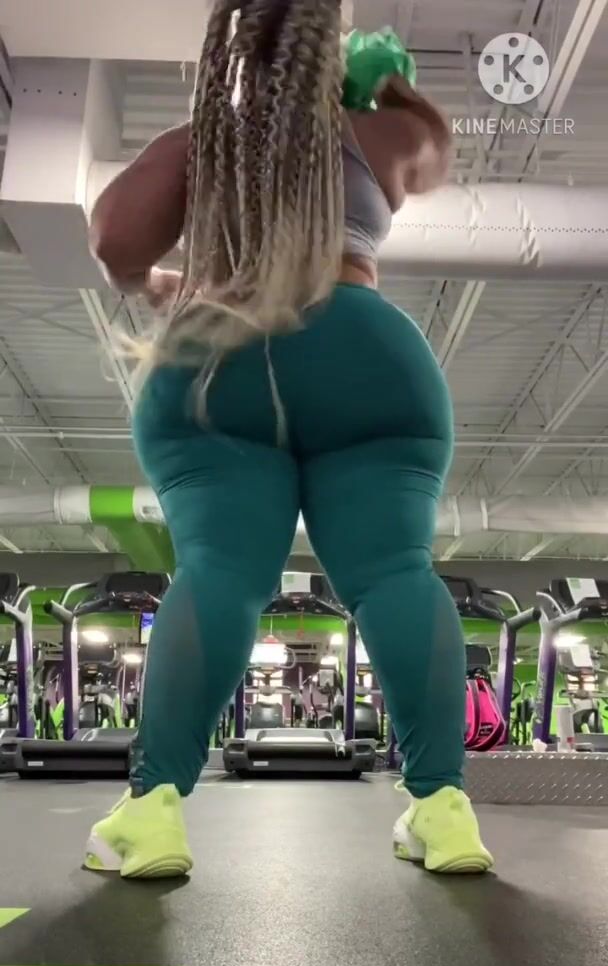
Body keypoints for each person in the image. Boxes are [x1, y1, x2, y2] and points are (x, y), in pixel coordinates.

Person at [85, 1, 493, 880]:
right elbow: (435, 149)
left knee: (219, 572)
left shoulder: (204, 143)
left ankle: (152, 814)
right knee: (395, 573)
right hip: (370, 353)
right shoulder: (377, 135)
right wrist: (386, 83)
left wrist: (155, 283)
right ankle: (444, 811)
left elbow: (114, 240)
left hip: (222, 348)